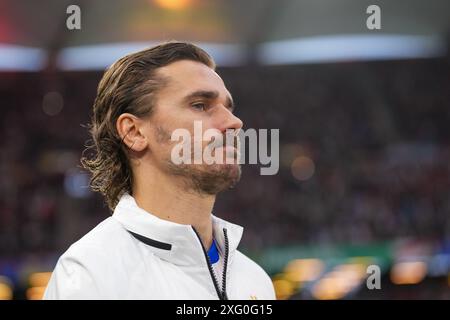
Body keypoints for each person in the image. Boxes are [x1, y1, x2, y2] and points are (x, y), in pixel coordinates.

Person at [43, 41, 276, 300]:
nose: (234, 122)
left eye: (228, 107)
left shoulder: (255, 280)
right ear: (134, 132)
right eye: (200, 105)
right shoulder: (91, 276)